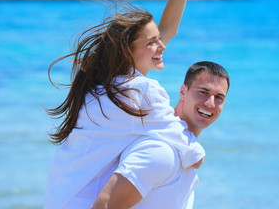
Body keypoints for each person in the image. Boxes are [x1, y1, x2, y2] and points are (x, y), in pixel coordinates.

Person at [44, 0, 205, 208]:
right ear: (128, 51)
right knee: (169, 159)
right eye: (152, 42)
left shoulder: (104, 84)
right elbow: (193, 157)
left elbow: (169, 28)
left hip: (61, 199)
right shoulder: (140, 91)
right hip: (86, 204)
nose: (162, 45)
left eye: (158, 39)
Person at [91, 61, 230, 209]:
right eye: (203, 92)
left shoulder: (185, 152)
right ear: (183, 91)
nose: (210, 103)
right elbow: (103, 205)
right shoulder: (161, 153)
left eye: (219, 97)